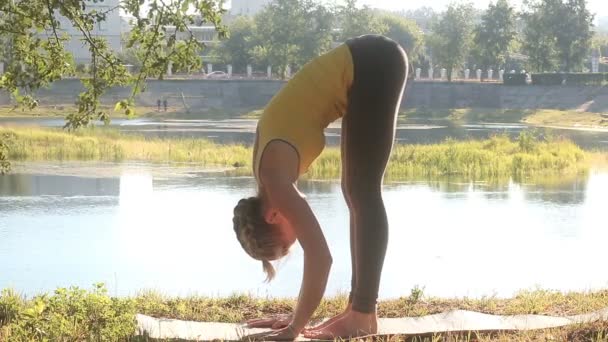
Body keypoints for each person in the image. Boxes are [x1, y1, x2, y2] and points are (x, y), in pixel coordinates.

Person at [232, 34, 409, 341]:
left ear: (273, 217)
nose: (298, 239)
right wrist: (298, 314)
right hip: (365, 68)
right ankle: (358, 310)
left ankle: (363, 316)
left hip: (373, 64)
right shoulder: (266, 173)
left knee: (362, 191)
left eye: (289, 243)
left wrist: (293, 329)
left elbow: (321, 258)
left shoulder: (276, 184)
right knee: (355, 190)